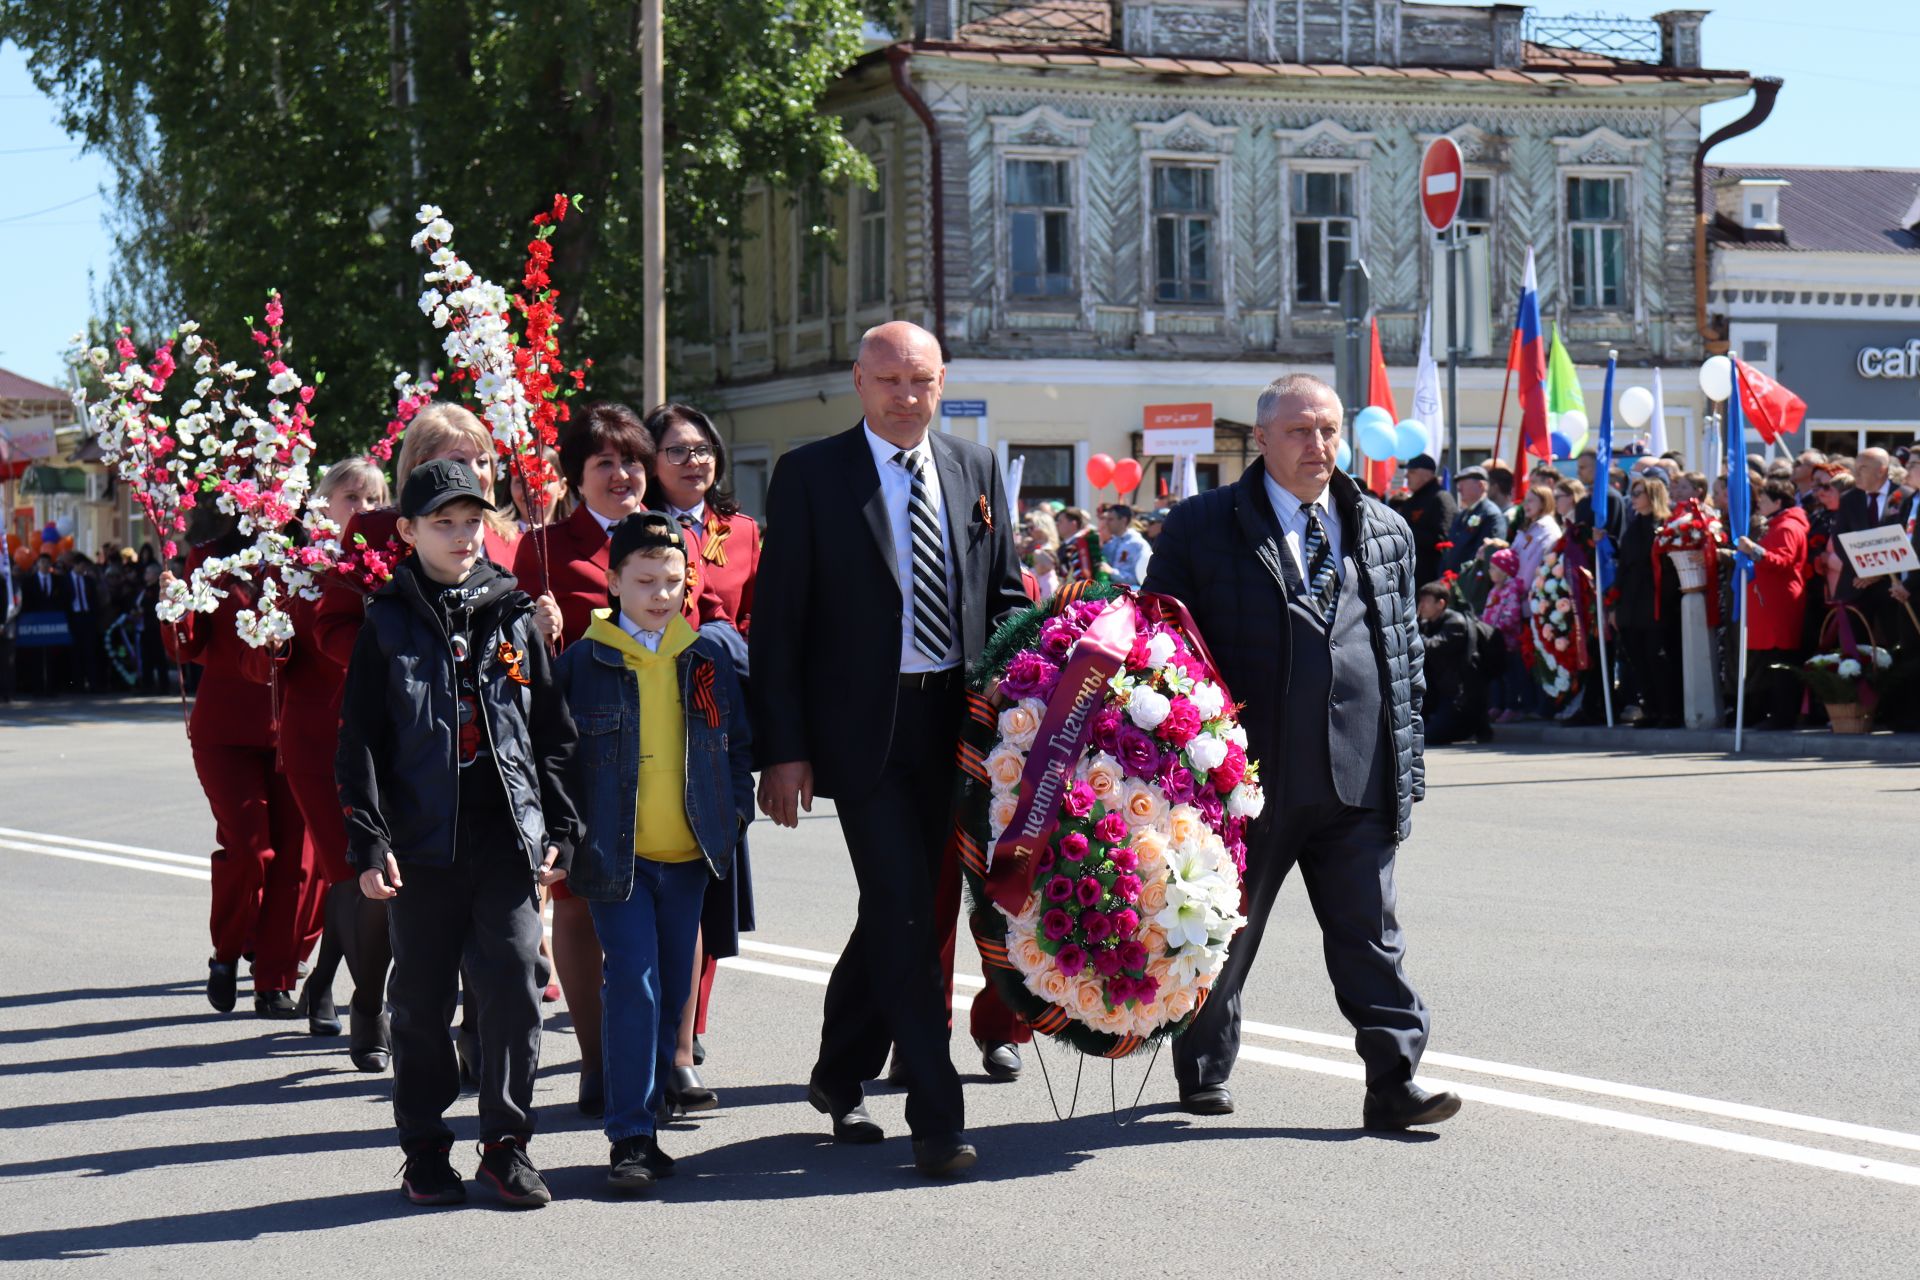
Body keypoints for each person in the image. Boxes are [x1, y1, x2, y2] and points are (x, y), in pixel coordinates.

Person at [1142, 371, 1458, 1130]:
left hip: (1356, 775)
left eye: (1328, 430)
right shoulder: (1203, 526)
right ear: (1262, 439)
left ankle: (1394, 1081)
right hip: (1240, 780)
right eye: (1299, 431)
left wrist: (1404, 771)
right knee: (1222, 931)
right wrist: (1182, 762)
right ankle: (1204, 1068)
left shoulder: (1382, 527)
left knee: (1371, 938)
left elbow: (1403, 656)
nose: (1318, 446)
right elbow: (1159, 646)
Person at [752, 320, 1028, 1178]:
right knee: (906, 906)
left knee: (909, 909)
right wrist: (783, 750)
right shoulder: (810, 476)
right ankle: (936, 1117)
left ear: (942, 384)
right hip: (864, 731)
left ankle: (838, 1072)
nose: (909, 397)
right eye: (891, 382)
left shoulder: (976, 469)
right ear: (860, 385)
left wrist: (1030, 716)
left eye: (923, 381)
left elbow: (1008, 593)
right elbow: (781, 624)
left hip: (959, 722)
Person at [336, 459, 581, 1209]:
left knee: (514, 984)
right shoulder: (385, 623)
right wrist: (369, 841)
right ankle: (423, 1149)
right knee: (421, 1000)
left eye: (473, 520)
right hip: (422, 845)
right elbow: (362, 742)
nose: (463, 535)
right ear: (406, 531)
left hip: (504, 836)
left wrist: (562, 826)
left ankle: (506, 1146)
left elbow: (551, 734)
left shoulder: (513, 611)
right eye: (443, 522)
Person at [553, 512, 754, 1192]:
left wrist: (736, 813)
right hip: (618, 862)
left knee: (672, 992)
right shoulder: (585, 660)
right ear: (613, 582)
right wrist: (560, 833)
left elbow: (735, 746)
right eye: (645, 580)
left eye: (673, 580)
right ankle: (629, 1135)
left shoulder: (707, 656)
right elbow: (558, 755)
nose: (661, 593)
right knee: (632, 983)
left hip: (691, 857)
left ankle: (652, 1113)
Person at [513, 401, 688, 1118]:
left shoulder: (672, 537)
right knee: (581, 904)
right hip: (586, 758)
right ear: (575, 477)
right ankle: (596, 1060)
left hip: (671, 757)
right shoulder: (549, 549)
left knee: (677, 904)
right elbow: (511, 660)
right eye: (604, 464)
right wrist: (536, 629)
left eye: (633, 461)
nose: (623, 475)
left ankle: (670, 1059)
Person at [642, 400, 762, 1099]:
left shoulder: (741, 531)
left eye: (703, 448)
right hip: (652, 726)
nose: (694, 461)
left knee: (713, 890)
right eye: (677, 450)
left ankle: (692, 1026)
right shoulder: (639, 531)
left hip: (718, 728)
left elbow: (756, 623)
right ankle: (658, 1033)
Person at [162, 512, 311, 1016]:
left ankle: (274, 979)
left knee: (296, 862)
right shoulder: (209, 558)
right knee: (251, 852)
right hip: (225, 731)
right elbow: (187, 647)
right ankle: (226, 953)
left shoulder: (310, 558)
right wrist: (174, 607)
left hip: (294, 728)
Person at [283, 457, 389, 1050]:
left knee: (359, 873)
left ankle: (325, 980)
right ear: (321, 505)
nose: (364, 508)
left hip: (377, 737)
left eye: (375, 497)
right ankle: (357, 1001)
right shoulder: (300, 567)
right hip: (317, 735)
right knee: (350, 870)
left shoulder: (387, 563)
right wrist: (270, 646)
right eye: (352, 496)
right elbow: (274, 657)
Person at [1736, 477, 1810, 730]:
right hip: (1770, 600)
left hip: (1779, 601)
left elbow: (1782, 561)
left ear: (1779, 502)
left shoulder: (1787, 527)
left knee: (1782, 661)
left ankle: (1783, 716)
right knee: (1772, 659)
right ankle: (1774, 713)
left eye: (1764, 501)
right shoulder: (1778, 524)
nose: (1759, 505)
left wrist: (1753, 550)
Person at [1616, 475, 1679, 728]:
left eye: (1638, 493)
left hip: (1655, 603)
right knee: (1638, 659)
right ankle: (1650, 709)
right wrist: (1616, 604)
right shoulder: (1633, 527)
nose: (1633, 499)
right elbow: (1624, 567)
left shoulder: (1665, 527)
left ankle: (1668, 710)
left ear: (1652, 496)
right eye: (1633, 494)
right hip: (1632, 603)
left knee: (1658, 660)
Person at [1416, 582, 1488, 744]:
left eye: (1426, 601)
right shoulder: (1429, 624)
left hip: (1459, 696)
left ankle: (1474, 726)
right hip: (1439, 693)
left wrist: (1414, 632)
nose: (1422, 605)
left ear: (1440, 603)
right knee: (1414, 733)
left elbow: (1431, 646)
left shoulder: (1456, 623)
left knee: (1430, 736)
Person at [1391, 454, 1457, 589]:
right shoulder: (1411, 501)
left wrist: (1405, 532)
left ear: (1427, 474)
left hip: (1430, 576)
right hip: (1411, 573)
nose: (1406, 476)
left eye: (1412, 472)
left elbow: (1443, 539)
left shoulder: (1441, 498)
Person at [1482, 547, 1530, 723]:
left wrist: (1496, 628)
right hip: (1493, 641)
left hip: (1507, 642)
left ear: (1505, 571)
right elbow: (1488, 611)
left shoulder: (1512, 590)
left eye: (1494, 568)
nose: (1490, 571)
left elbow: (1512, 615)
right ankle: (1497, 705)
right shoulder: (1494, 590)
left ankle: (1513, 706)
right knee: (1497, 676)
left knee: (1510, 677)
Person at [1444, 465, 1507, 574]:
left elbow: (1485, 554)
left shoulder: (1491, 515)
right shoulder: (1462, 515)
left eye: (1463, 483)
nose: (1459, 489)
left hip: (1470, 582)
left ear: (1481, 486)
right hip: (1453, 579)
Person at [1510, 485, 1562, 595]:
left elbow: (1535, 565)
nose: (1525, 505)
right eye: (1525, 501)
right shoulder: (1525, 528)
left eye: (1530, 501)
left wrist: (1519, 591)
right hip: (1513, 594)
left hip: (1528, 597)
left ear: (1543, 503)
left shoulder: (1549, 530)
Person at [1100, 503, 1153, 586]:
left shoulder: (1137, 544)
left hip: (1130, 595)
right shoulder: (1111, 542)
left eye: (1111, 519)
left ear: (1123, 520)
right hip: (1112, 592)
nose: (1106, 523)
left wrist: (1111, 572)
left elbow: (1139, 578)